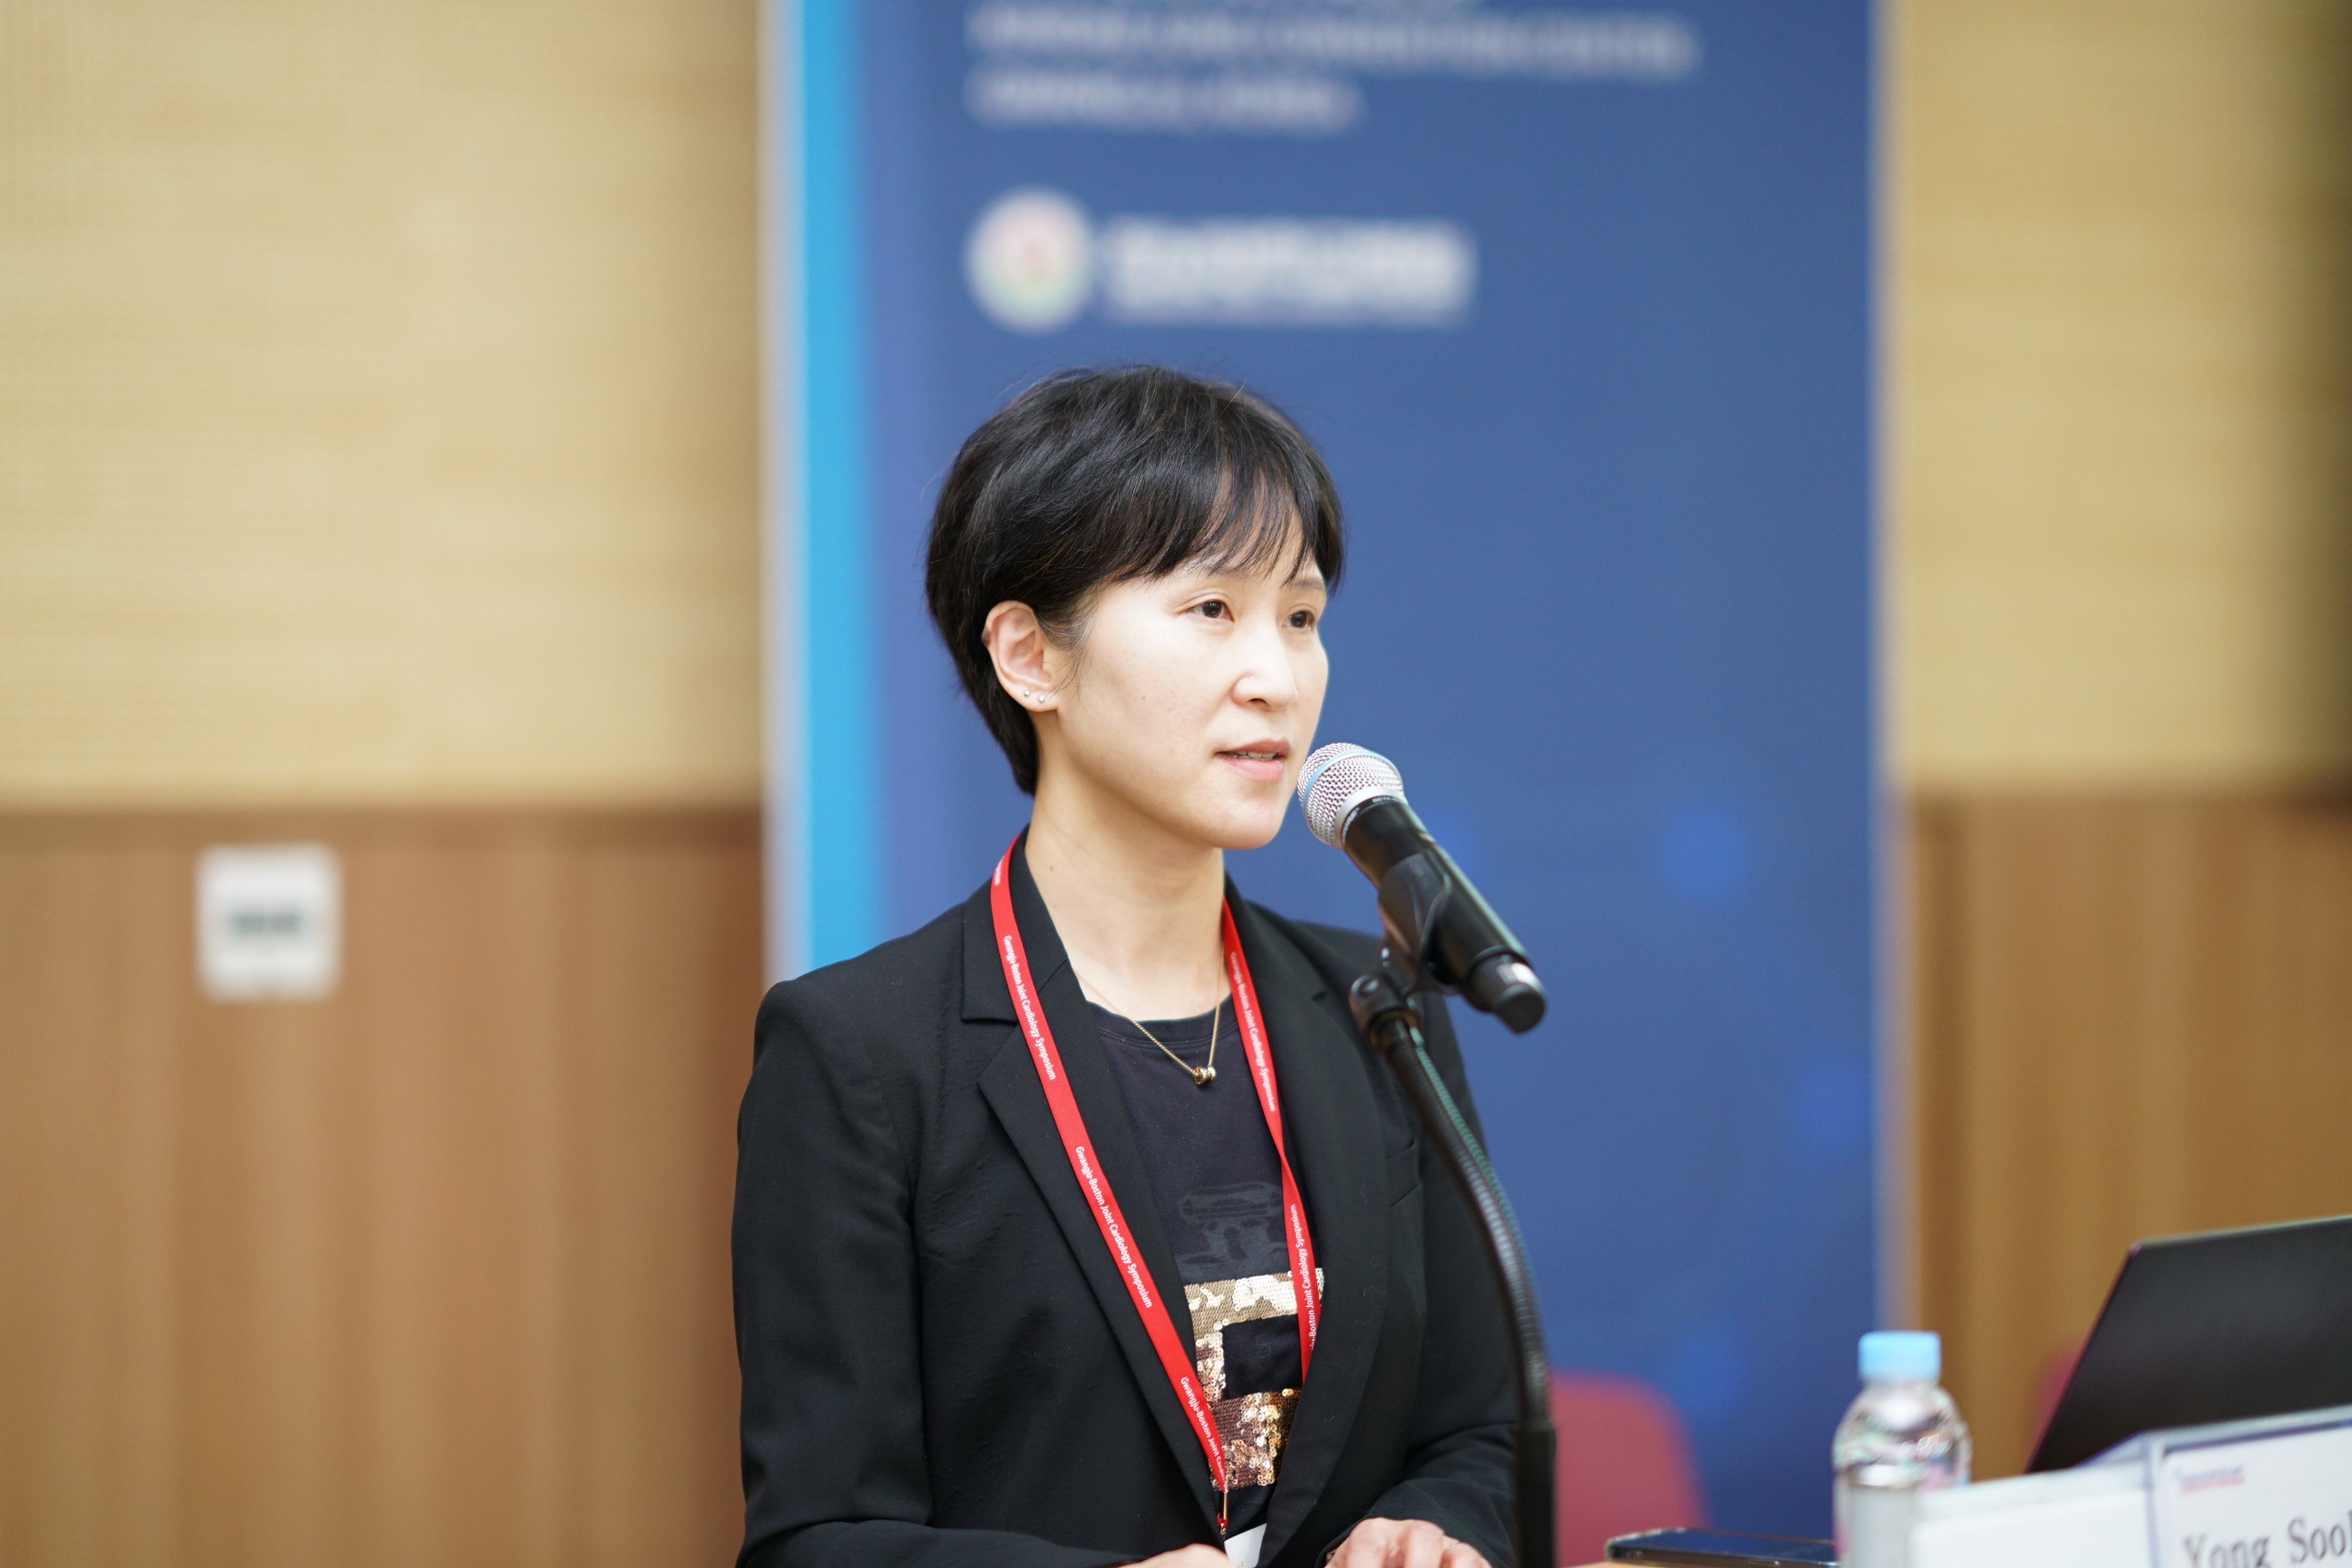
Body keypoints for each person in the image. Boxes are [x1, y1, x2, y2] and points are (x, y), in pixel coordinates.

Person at [733, 367, 1514, 1568]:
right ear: (1030, 656)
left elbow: (1482, 1431)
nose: (1276, 676)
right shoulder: (861, 1053)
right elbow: (816, 1539)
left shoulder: (1377, 1007)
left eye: (1300, 617)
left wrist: (1440, 1528)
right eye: (1212, 608)